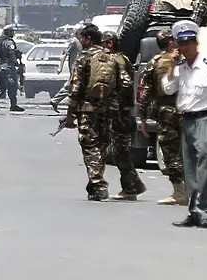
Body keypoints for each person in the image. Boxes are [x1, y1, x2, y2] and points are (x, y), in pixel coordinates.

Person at [161, 20, 207, 229]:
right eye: (181, 44)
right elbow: (167, 89)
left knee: (205, 166)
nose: (185, 48)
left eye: (189, 43)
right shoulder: (181, 68)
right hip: (187, 119)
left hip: (206, 118)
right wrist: (172, 66)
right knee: (190, 169)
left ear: (196, 43)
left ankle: (206, 212)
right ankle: (194, 212)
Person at [65, 24, 133, 201]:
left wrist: (69, 114)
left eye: (82, 38)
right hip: (109, 109)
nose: (80, 41)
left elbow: (76, 87)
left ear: (87, 39)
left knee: (90, 146)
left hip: (88, 110)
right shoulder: (112, 58)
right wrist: (116, 102)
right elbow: (125, 83)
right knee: (102, 145)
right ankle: (95, 181)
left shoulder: (84, 58)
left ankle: (98, 184)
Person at [138, 29, 187, 205]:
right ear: (171, 42)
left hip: (167, 111)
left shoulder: (154, 63)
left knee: (171, 151)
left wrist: (143, 118)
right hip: (190, 110)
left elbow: (144, 92)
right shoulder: (186, 60)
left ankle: (180, 192)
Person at [101, 31, 147, 200]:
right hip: (121, 112)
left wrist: (119, 105)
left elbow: (126, 84)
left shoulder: (117, 60)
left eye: (103, 43)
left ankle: (131, 188)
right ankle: (133, 185)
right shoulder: (122, 59)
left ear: (110, 43)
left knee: (121, 151)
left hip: (120, 113)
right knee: (120, 151)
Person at [0, 25, 24, 112]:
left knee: (2, 86)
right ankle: (13, 105)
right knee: (12, 86)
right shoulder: (9, 42)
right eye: (12, 32)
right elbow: (11, 53)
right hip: (8, 67)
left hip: (1, 66)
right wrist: (17, 63)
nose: (13, 34)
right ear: (9, 32)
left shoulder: (0, 41)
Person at [50, 25, 84, 113]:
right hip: (75, 68)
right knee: (71, 85)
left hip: (80, 67)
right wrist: (60, 67)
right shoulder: (74, 41)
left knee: (75, 86)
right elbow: (64, 54)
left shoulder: (81, 42)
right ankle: (55, 101)